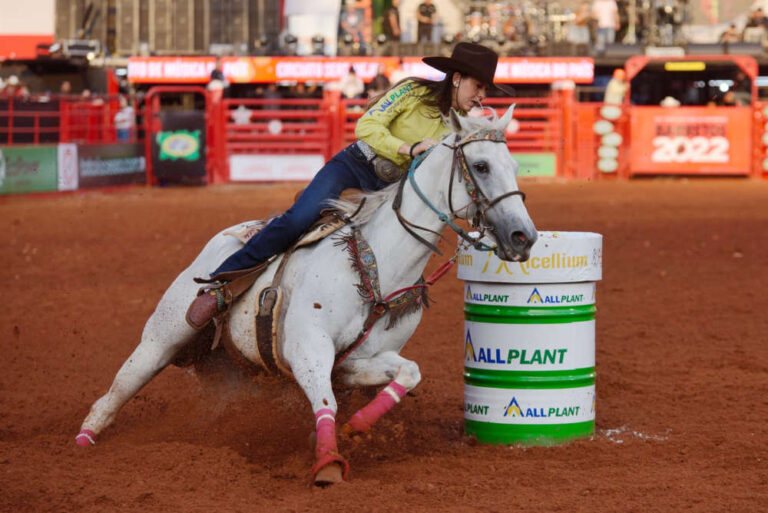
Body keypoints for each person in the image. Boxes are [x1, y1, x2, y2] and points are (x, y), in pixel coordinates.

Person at [186, 42, 517, 329]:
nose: (483, 95)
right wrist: (408, 148)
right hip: (355, 166)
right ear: (457, 78)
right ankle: (221, 286)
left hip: (396, 189)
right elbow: (367, 125)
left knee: (400, 251)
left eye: (486, 89)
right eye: (479, 86)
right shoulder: (413, 91)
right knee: (299, 219)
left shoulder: (465, 128)